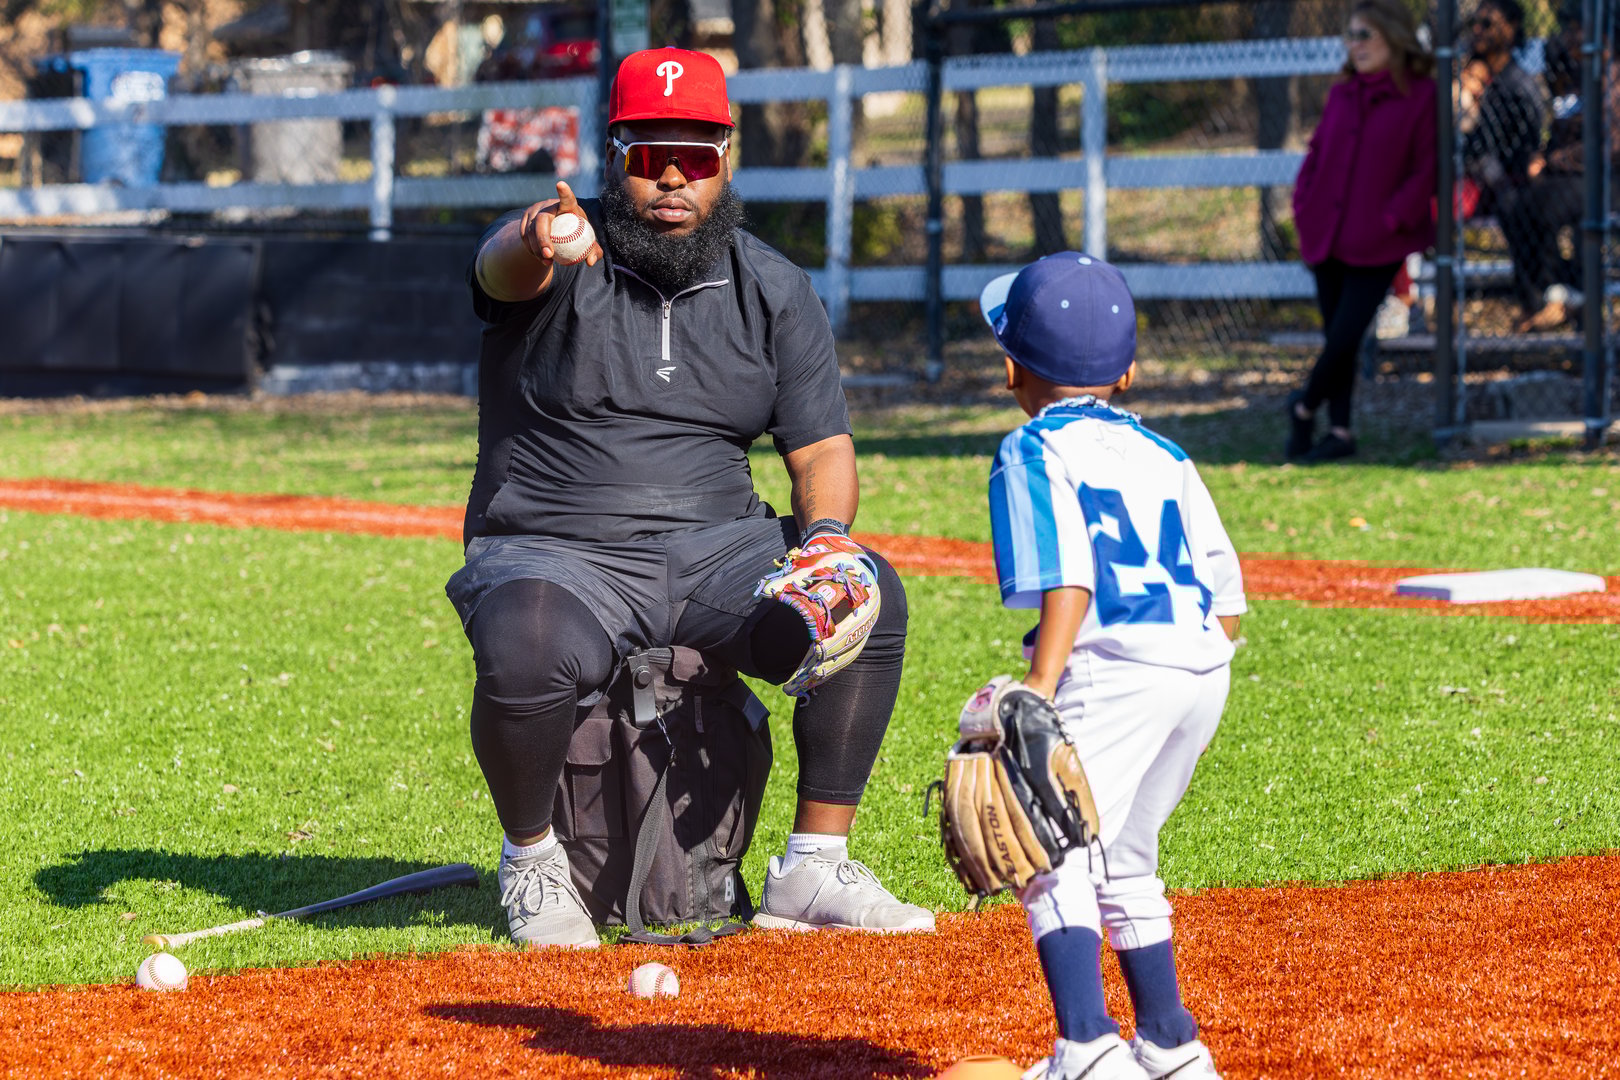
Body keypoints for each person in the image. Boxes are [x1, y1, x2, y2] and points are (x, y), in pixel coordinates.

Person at [447, 46, 932, 948]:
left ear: (726, 160)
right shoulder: (562, 249)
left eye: (697, 156)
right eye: (649, 154)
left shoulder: (772, 286)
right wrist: (530, 238)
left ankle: (812, 870)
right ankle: (534, 864)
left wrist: (825, 538)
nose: (673, 176)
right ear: (614, 152)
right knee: (527, 644)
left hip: (720, 552)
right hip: (559, 548)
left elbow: (821, 445)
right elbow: (496, 272)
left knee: (867, 596)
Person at [975, 254, 1246, 1080]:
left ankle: (1088, 1047)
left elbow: (1069, 578)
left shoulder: (1029, 448)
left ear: (1011, 365)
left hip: (1114, 667)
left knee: (1048, 851)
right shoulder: (1168, 456)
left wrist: (1040, 690)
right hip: (1201, 667)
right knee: (1127, 855)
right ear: (1127, 371)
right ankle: (1169, 1043)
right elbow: (1227, 597)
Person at [1288, 0, 1437, 462]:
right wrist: (1304, 203)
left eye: (1364, 35)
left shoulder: (1421, 95)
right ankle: (1340, 432)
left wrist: (1394, 218)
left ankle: (1302, 406)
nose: (1355, 45)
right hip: (1327, 234)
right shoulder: (1342, 94)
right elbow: (1316, 155)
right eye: (1350, 36)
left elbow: (1426, 169)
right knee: (1338, 335)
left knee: (1344, 337)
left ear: (1393, 38)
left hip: (1379, 241)